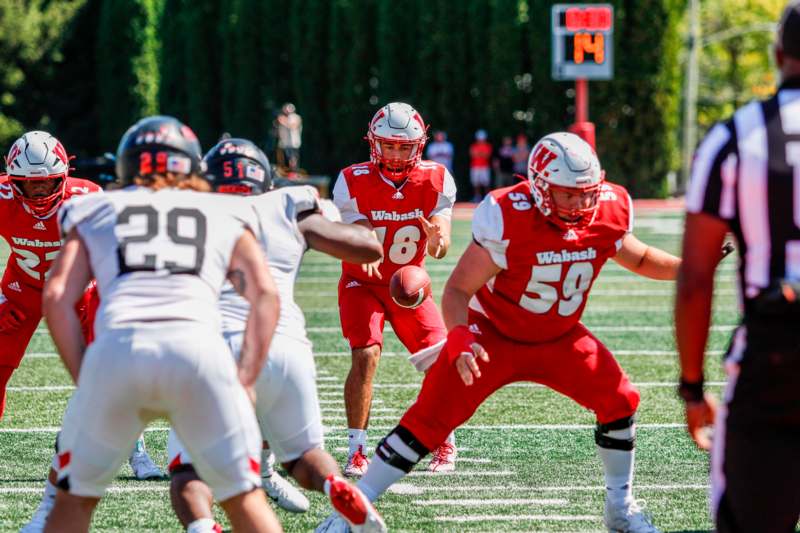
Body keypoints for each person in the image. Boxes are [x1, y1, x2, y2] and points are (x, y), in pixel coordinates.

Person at [321, 132, 685, 533]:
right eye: (568, 194)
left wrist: (693, 266)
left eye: (587, 193)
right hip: (493, 337)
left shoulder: (607, 209)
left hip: (560, 336)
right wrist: (460, 335)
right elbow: (459, 288)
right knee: (428, 420)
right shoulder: (508, 212)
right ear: (541, 188)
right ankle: (351, 511)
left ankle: (620, 506)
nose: (581, 204)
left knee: (619, 400)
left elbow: (643, 257)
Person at [40, 115, 281, 533]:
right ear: (190, 165)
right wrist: (244, 378)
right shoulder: (221, 210)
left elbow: (58, 295)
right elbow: (265, 293)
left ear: (127, 166)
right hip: (198, 356)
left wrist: (86, 372)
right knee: (244, 499)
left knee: (73, 504)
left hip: (118, 353)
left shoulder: (95, 207)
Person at [166, 137, 387, 533]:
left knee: (189, 471)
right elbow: (368, 249)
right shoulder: (286, 204)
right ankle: (336, 485)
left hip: (210, 347)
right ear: (265, 181)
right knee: (304, 457)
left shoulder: (185, 207)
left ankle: (202, 527)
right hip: (283, 345)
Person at [675, 3, 800, 532]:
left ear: (778, 56)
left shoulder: (736, 136)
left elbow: (696, 276)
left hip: (775, 352)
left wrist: (691, 384)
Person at [333, 102, 458, 477]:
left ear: (418, 146)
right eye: (389, 145)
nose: (396, 153)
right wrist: (363, 243)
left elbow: (440, 247)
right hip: (362, 282)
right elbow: (355, 229)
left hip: (408, 284)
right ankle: (357, 450)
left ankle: (446, 441)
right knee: (366, 355)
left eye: (404, 147)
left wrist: (437, 238)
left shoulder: (436, 178)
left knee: (440, 358)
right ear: (374, 144)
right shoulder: (352, 178)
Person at [275, 103, 302, 172]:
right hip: (285, 143)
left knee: (293, 158)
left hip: (294, 143)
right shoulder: (283, 117)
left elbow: (293, 126)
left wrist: (283, 121)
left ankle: (294, 172)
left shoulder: (296, 117)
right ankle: (288, 172)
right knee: (284, 159)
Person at [469, 129, 492, 201]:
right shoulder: (473, 146)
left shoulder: (488, 146)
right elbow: (472, 155)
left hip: (485, 167)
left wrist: (478, 154)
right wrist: (481, 153)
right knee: (476, 183)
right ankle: (477, 197)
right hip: (475, 166)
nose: (481, 140)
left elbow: (487, 156)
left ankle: (487, 197)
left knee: (486, 183)